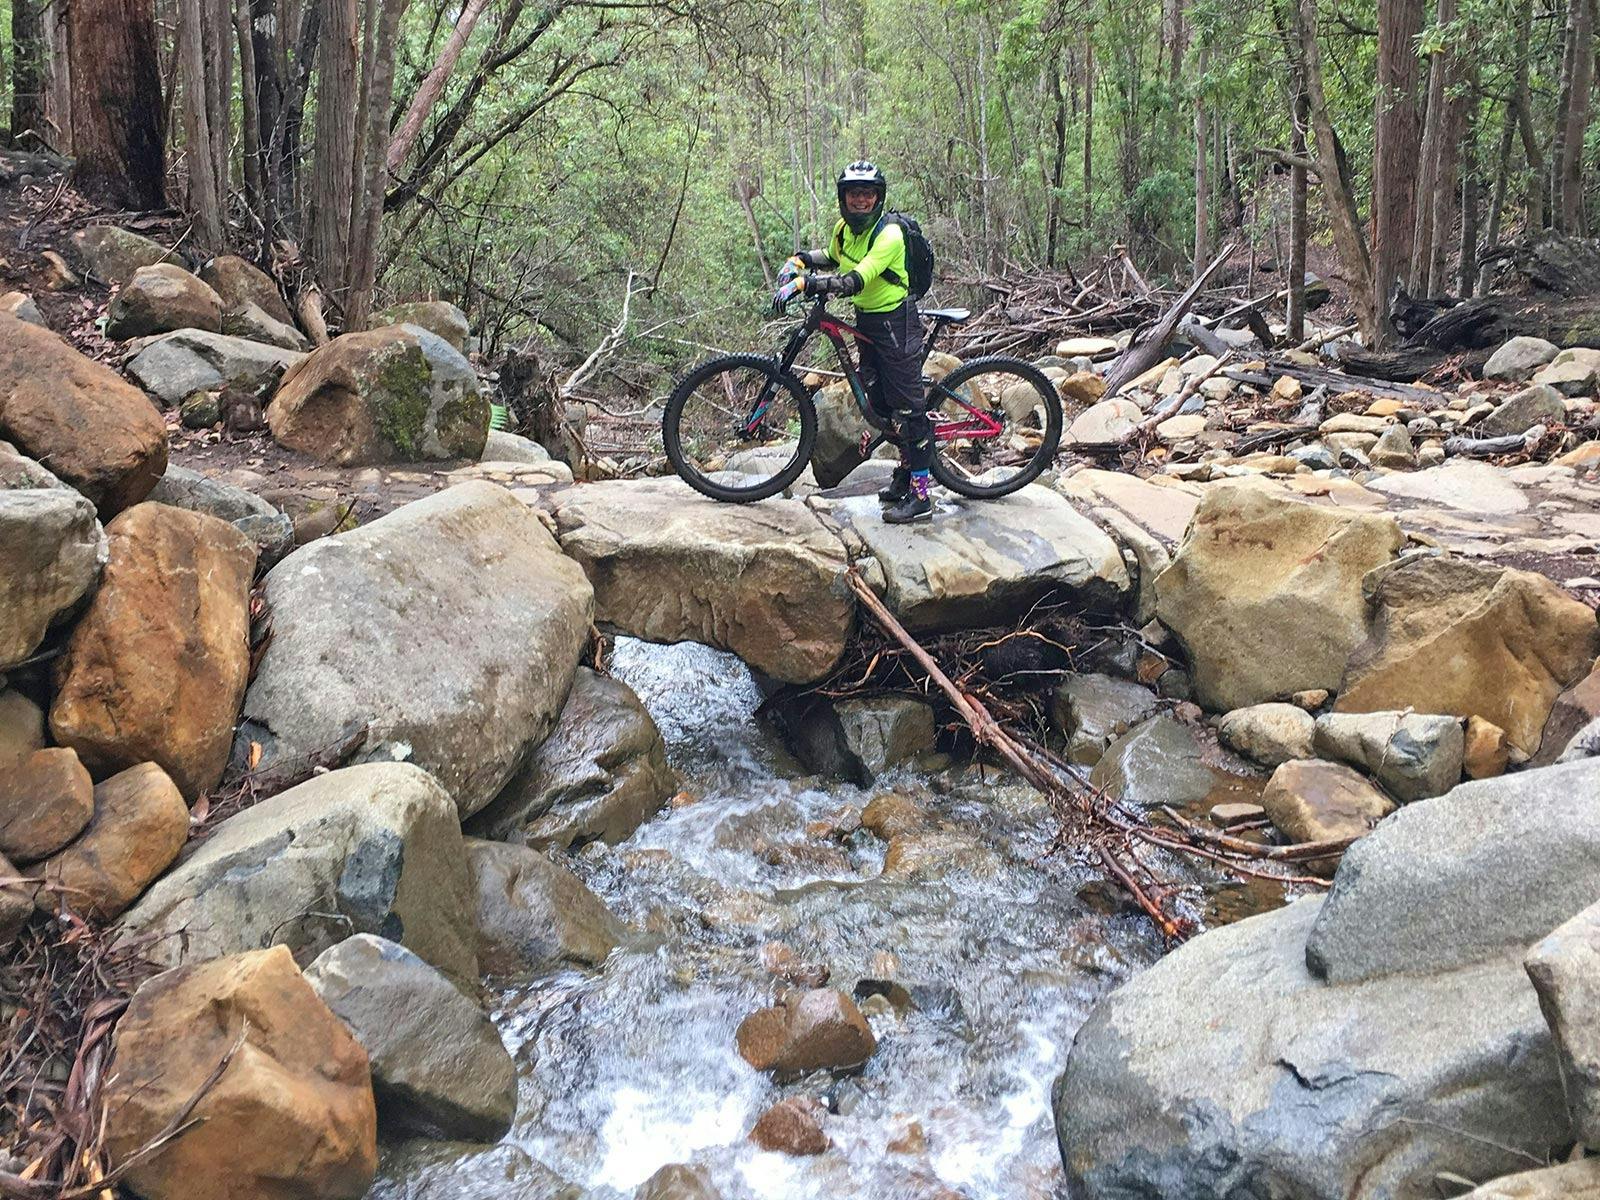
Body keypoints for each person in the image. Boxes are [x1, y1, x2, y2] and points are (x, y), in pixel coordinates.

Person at [772, 161, 933, 524]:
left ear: (878, 197)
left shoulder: (889, 234)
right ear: (844, 198)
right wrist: (799, 259)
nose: (860, 200)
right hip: (868, 321)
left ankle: (922, 498)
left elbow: (855, 280)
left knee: (909, 410)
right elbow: (832, 257)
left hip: (896, 322)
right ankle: (906, 475)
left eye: (867, 194)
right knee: (879, 405)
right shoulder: (845, 230)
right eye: (853, 194)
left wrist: (805, 284)